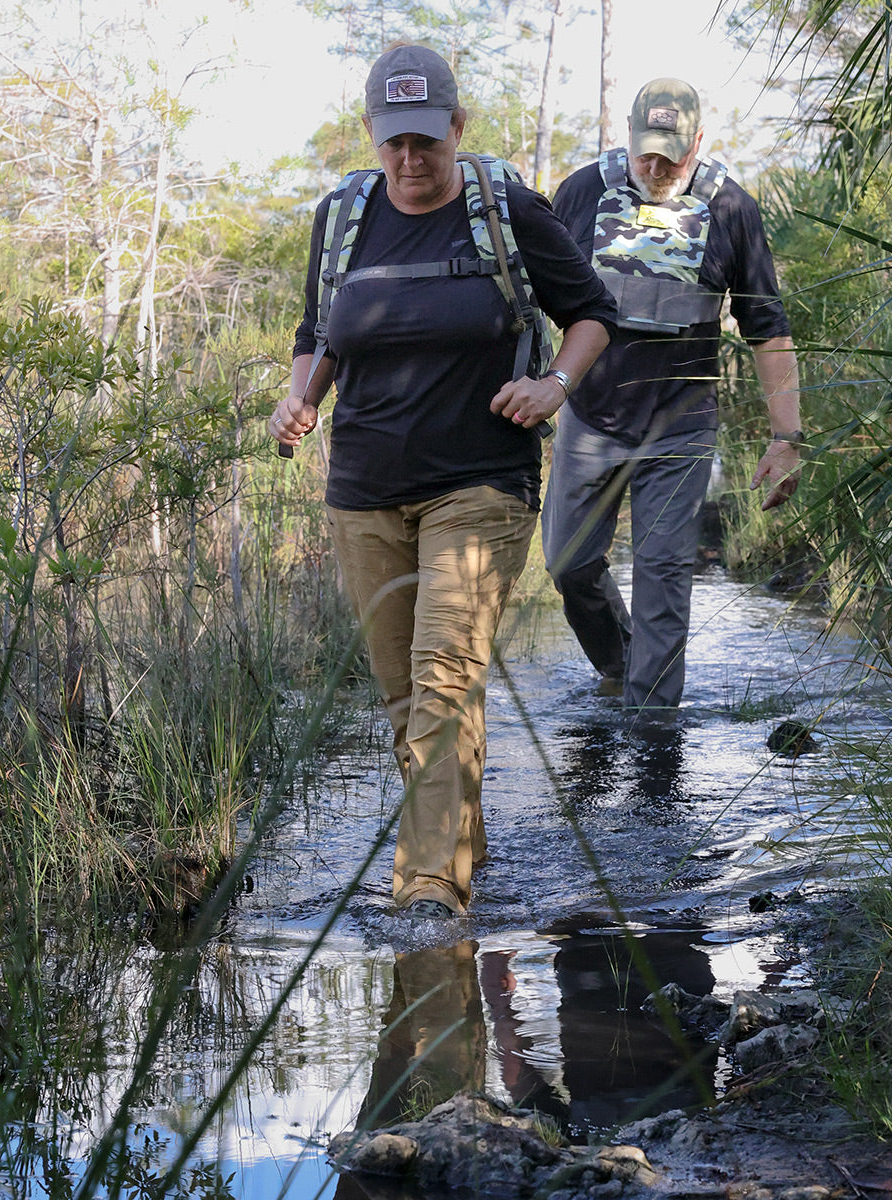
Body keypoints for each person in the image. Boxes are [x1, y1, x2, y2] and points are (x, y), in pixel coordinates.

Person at [269, 43, 617, 918]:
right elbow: (321, 334)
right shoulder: (341, 217)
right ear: (372, 135)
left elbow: (592, 315)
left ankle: (427, 898)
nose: (412, 160)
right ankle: (465, 853)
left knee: (443, 679)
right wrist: (297, 397)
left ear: (458, 127)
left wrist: (553, 385)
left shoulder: (508, 211)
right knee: (404, 699)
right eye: (395, 142)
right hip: (365, 489)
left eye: (428, 140)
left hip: (482, 480)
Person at [545, 77, 802, 714]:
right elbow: (531, 297)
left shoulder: (732, 210)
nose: (656, 166)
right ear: (627, 138)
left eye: (672, 154)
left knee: (663, 578)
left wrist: (787, 438)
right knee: (567, 564)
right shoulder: (581, 193)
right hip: (590, 417)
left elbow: (768, 329)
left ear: (700, 144)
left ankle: (654, 728)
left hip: (680, 426)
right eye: (646, 152)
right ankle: (620, 664)